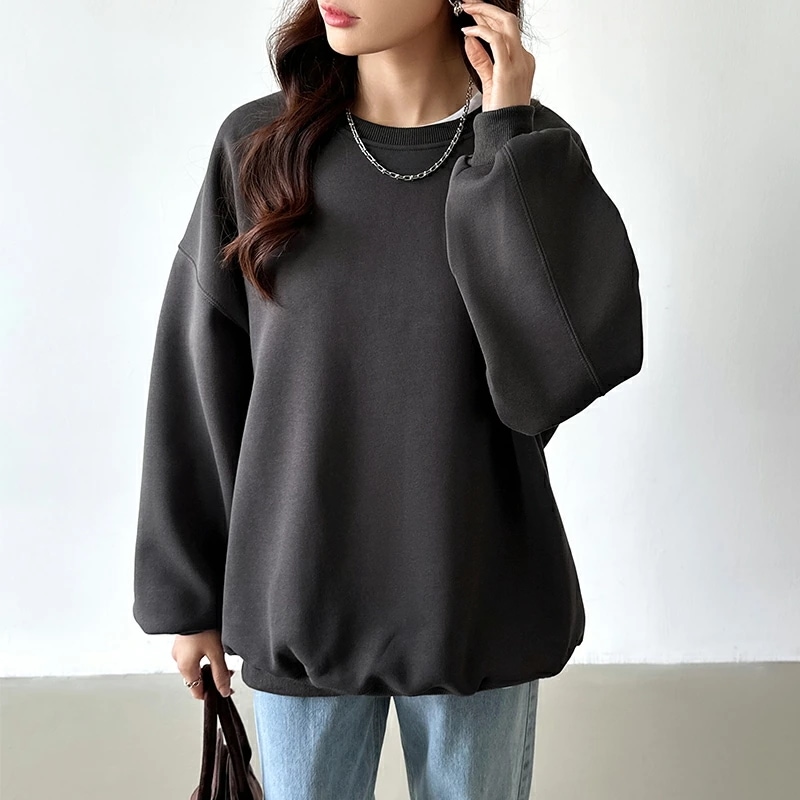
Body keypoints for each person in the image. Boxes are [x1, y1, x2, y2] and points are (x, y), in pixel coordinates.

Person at [132, 0, 644, 796]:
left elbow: (556, 375)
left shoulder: (527, 151)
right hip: (301, 603)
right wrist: (188, 597)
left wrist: (505, 139)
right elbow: (198, 379)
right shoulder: (260, 147)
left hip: (475, 602)